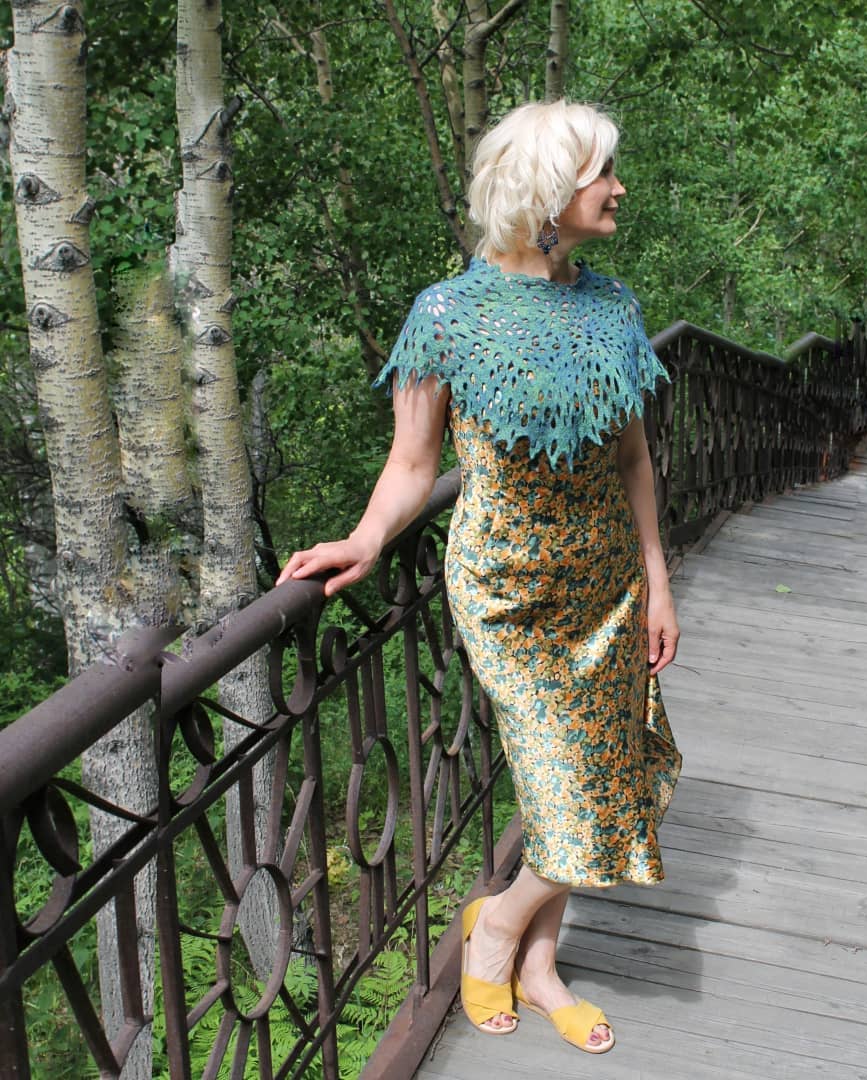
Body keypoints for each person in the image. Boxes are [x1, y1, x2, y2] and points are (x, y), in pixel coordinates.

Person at [276, 99, 681, 1056]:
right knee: (574, 789)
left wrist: (658, 579)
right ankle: (495, 928)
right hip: (508, 591)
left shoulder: (615, 308)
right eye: (602, 173)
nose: (620, 188)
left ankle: (536, 963)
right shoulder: (446, 314)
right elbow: (413, 463)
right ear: (548, 189)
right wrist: (367, 539)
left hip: (609, 585)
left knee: (595, 779)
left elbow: (633, 459)